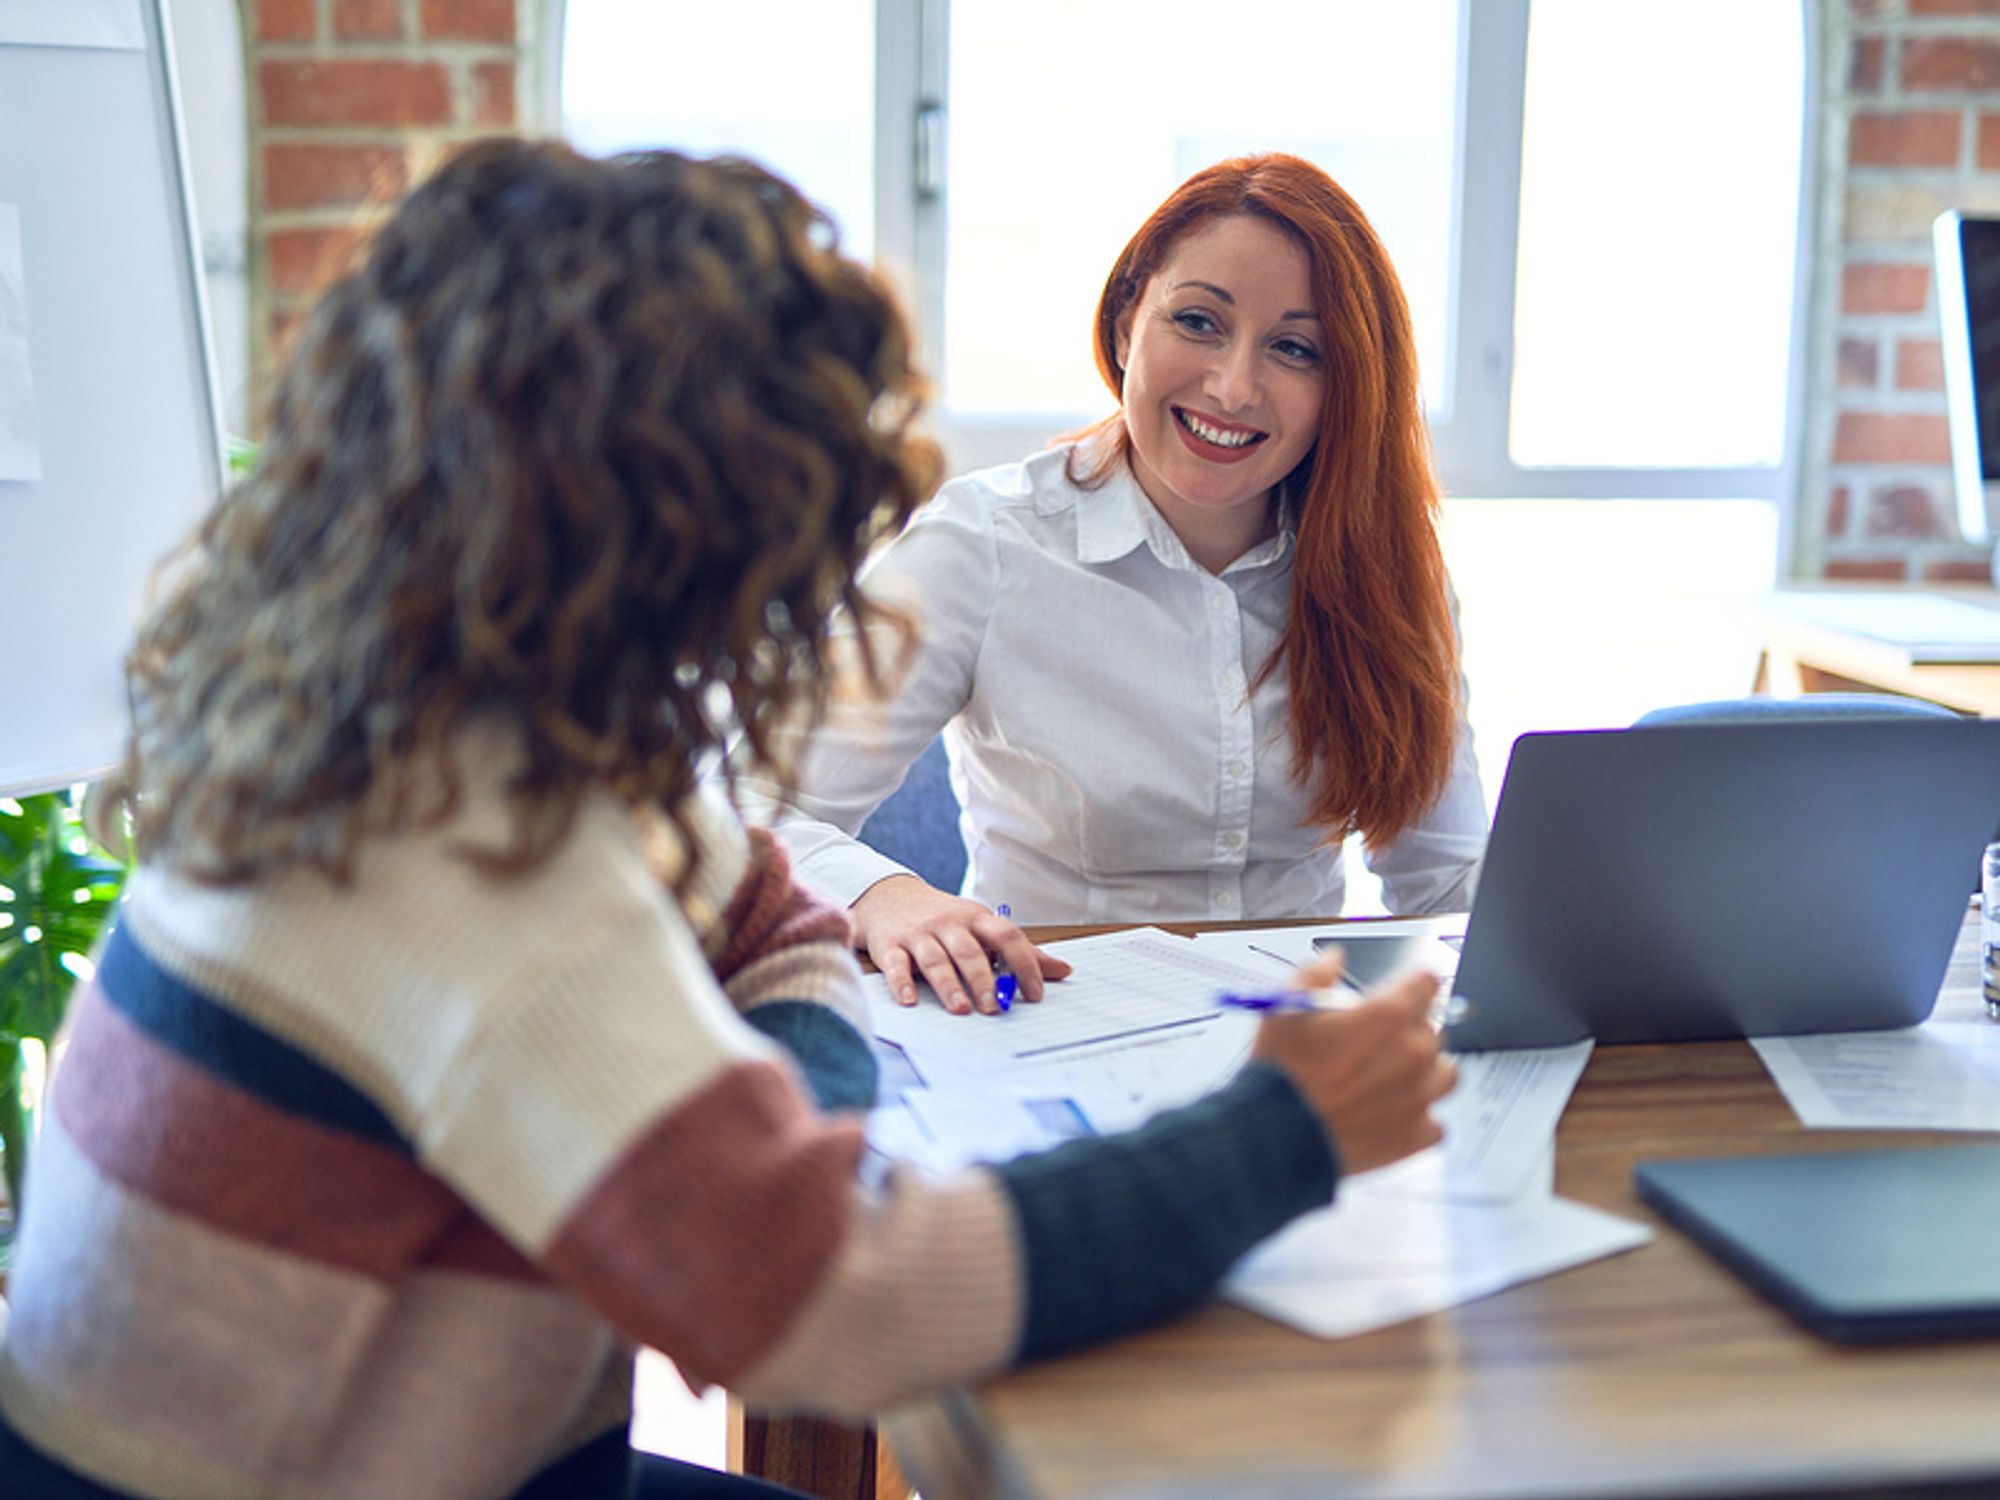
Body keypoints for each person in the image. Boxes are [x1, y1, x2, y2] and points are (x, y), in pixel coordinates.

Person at [0, 140, 1456, 1500]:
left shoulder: (377, 725)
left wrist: (785, 981)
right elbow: (844, 1304)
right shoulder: (484, 879)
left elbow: (731, 890)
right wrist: (1287, 1129)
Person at [739, 154, 1488, 1018]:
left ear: (1345, 384)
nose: (1234, 386)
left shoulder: (1388, 563)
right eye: (1199, 322)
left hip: (1305, 1052)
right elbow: (750, 810)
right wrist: (884, 895)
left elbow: (1448, 882)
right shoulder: (984, 544)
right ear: (1129, 322)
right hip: (1053, 1030)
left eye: (1293, 348)